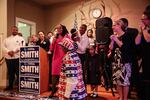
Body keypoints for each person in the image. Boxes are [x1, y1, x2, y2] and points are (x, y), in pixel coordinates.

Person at [109, 19, 133, 100]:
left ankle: (125, 98)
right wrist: (112, 41)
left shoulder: (127, 35)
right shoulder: (115, 36)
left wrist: (116, 39)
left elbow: (125, 48)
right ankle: (121, 97)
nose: (113, 27)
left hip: (125, 62)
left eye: (114, 25)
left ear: (119, 26)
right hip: (116, 63)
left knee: (125, 82)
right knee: (118, 81)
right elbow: (111, 48)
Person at [119, 18, 141, 99]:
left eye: (119, 23)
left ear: (125, 24)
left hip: (131, 57)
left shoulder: (133, 31)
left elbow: (135, 44)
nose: (118, 24)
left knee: (134, 76)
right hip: (122, 59)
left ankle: (139, 94)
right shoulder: (118, 34)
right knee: (123, 79)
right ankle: (126, 96)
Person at [49, 24, 70, 97]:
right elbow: (51, 48)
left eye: (60, 28)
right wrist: (53, 41)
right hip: (56, 57)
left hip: (65, 57)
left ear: (63, 28)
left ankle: (64, 92)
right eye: (57, 28)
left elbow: (70, 46)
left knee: (64, 75)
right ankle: (53, 91)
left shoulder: (67, 35)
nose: (59, 29)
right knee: (54, 74)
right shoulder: (55, 37)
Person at [2, 26, 25, 90]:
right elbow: (3, 47)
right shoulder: (6, 39)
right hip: (8, 58)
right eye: (13, 30)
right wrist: (8, 51)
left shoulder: (21, 38)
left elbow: (22, 46)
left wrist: (13, 51)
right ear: (11, 30)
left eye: (16, 30)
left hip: (17, 58)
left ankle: (20, 86)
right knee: (10, 73)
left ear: (17, 31)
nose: (15, 31)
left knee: (18, 73)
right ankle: (10, 86)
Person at [135, 5, 150, 100]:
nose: (142, 21)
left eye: (143, 19)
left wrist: (144, 30)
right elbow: (137, 42)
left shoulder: (147, 30)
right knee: (145, 80)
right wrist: (140, 32)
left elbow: (148, 40)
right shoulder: (144, 30)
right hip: (145, 58)